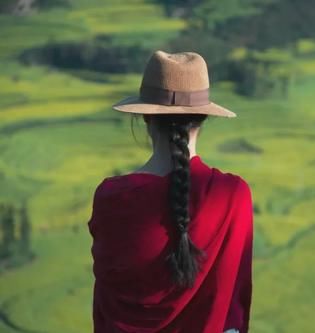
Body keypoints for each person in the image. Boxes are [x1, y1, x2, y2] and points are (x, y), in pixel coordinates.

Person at [87, 51, 253, 333]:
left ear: (145, 119)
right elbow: (236, 302)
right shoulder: (232, 195)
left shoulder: (111, 198)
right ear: (203, 118)